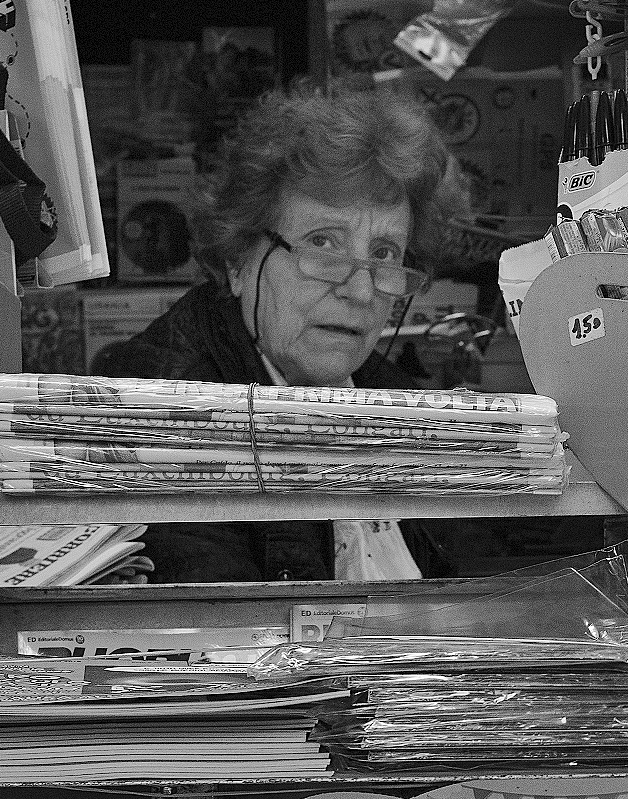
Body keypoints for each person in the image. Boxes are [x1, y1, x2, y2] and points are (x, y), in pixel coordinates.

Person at [93, 82, 468, 578]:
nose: (360, 291)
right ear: (239, 259)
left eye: (383, 253)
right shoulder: (159, 407)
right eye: (324, 244)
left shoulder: (391, 398)